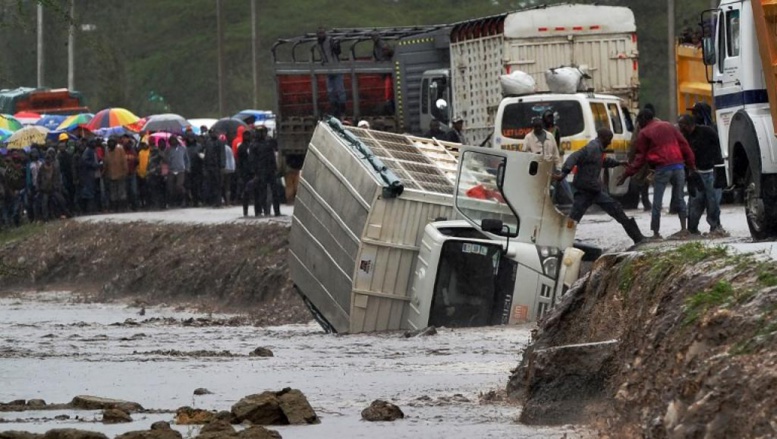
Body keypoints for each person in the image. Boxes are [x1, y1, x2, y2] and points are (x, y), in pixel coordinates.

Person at [554, 128, 646, 245]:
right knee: (573, 219)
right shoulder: (592, 147)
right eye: (609, 139)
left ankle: (638, 238)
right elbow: (573, 157)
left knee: (616, 209)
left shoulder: (598, 149)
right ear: (604, 138)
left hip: (594, 190)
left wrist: (618, 163)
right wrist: (563, 173)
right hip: (585, 191)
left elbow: (602, 161)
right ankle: (561, 242)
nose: (610, 142)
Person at [618, 108, 696, 239]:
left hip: (662, 168)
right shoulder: (669, 126)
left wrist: (627, 174)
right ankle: (684, 229)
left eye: (639, 121)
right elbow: (684, 146)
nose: (638, 125)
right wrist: (692, 165)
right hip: (678, 166)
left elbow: (640, 158)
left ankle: (656, 233)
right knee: (680, 198)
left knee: (657, 202)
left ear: (643, 119)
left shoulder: (644, 132)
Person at [678, 115, 727, 237]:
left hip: (711, 172)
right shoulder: (684, 137)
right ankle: (692, 229)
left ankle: (715, 227)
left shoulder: (707, 131)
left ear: (689, 124)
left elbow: (719, 147)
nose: (680, 128)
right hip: (696, 174)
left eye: (682, 125)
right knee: (694, 203)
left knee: (713, 202)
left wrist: (720, 169)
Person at [250, 127, 281, 217]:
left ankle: (277, 211)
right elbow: (252, 160)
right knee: (261, 191)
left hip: (270, 170)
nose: (262, 134)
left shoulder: (269, 142)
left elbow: (274, 154)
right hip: (260, 171)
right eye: (260, 132)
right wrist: (254, 172)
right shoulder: (254, 145)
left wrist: (275, 169)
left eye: (263, 132)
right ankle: (264, 210)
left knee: (274, 191)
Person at [316, 27, 346, 118]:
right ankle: (334, 110)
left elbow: (338, 52)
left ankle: (342, 111)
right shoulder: (318, 43)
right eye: (319, 33)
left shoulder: (330, 41)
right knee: (330, 91)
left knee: (340, 90)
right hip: (328, 70)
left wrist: (336, 46)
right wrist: (322, 61)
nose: (321, 35)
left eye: (322, 33)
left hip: (336, 67)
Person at [102, 137, 128, 212]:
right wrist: (105, 173)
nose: (111, 145)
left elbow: (124, 161)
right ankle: (115, 207)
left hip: (120, 174)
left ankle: (122, 207)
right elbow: (106, 163)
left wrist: (125, 171)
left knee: (121, 192)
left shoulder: (120, 150)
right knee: (113, 193)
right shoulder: (107, 151)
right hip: (111, 175)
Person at [165, 136, 189, 207]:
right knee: (170, 187)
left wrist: (187, 168)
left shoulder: (183, 149)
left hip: (181, 170)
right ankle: (173, 202)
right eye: (171, 141)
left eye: (174, 140)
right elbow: (166, 161)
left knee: (179, 186)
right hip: (171, 170)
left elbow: (186, 159)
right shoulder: (168, 150)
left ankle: (184, 200)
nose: (173, 142)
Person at [203, 130, 224, 207]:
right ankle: (212, 201)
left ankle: (218, 201)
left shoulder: (219, 142)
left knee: (217, 184)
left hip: (217, 166)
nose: (213, 134)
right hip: (209, 165)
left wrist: (222, 165)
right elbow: (206, 154)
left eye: (214, 132)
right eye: (211, 133)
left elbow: (222, 154)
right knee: (210, 184)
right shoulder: (208, 142)